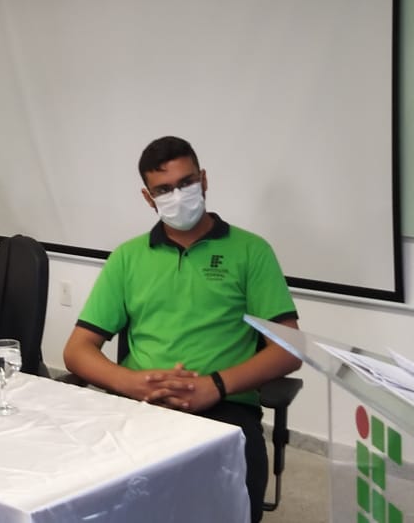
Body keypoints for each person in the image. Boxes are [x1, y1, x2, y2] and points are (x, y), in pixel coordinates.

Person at [63, 136, 302, 523]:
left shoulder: (251, 251)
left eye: (186, 183)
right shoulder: (128, 257)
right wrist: (130, 383)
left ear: (203, 180)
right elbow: (77, 350)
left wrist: (215, 386)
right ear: (148, 197)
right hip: (137, 405)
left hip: (224, 407)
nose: (177, 195)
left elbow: (289, 348)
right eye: (163, 189)